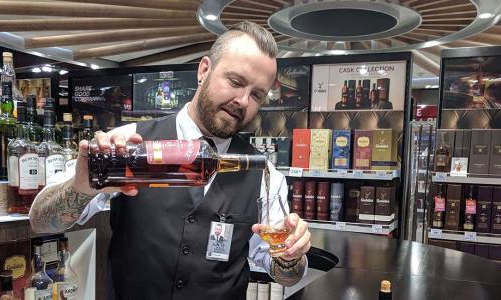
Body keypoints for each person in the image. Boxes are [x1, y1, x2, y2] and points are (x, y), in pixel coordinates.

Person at [29, 21, 311, 299]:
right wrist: (81, 188)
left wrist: (291, 257)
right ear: (204, 70)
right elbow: (41, 221)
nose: (243, 100)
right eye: (235, 82)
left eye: (257, 95)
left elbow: (286, 273)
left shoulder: (264, 173)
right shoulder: (129, 142)